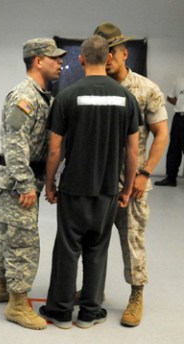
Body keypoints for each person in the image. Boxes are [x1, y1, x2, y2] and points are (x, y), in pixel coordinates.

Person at [40, 35, 140, 329]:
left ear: (81, 59)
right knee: (97, 248)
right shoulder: (127, 98)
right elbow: (132, 150)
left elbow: (55, 148)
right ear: (109, 59)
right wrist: (126, 189)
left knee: (68, 247)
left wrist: (50, 184)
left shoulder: (68, 97)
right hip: (107, 188)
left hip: (74, 187)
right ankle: (89, 312)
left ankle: (59, 312)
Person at [0, 38, 66, 330]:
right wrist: (25, 185)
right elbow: (14, 142)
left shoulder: (42, 95)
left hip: (23, 177)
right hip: (19, 180)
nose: (60, 63)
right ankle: (17, 304)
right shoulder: (25, 96)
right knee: (25, 242)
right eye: (54, 58)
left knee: (10, 234)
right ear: (37, 60)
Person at [94, 22, 169, 327]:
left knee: (132, 239)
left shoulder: (146, 89)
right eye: (102, 52)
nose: (108, 57)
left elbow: (161, 133)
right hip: (97, 181)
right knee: (93, 240)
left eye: (112, 52)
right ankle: (91, 291)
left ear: (124, 53)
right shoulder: (93, 87)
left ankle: (136, 295)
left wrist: (145, 173)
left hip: (132, 182)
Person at [155, 73, 184, 187]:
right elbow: (170, 97)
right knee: (174, 148)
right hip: (179, 118)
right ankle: (171, 178)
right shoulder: (179, 79)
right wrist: (180, 105)